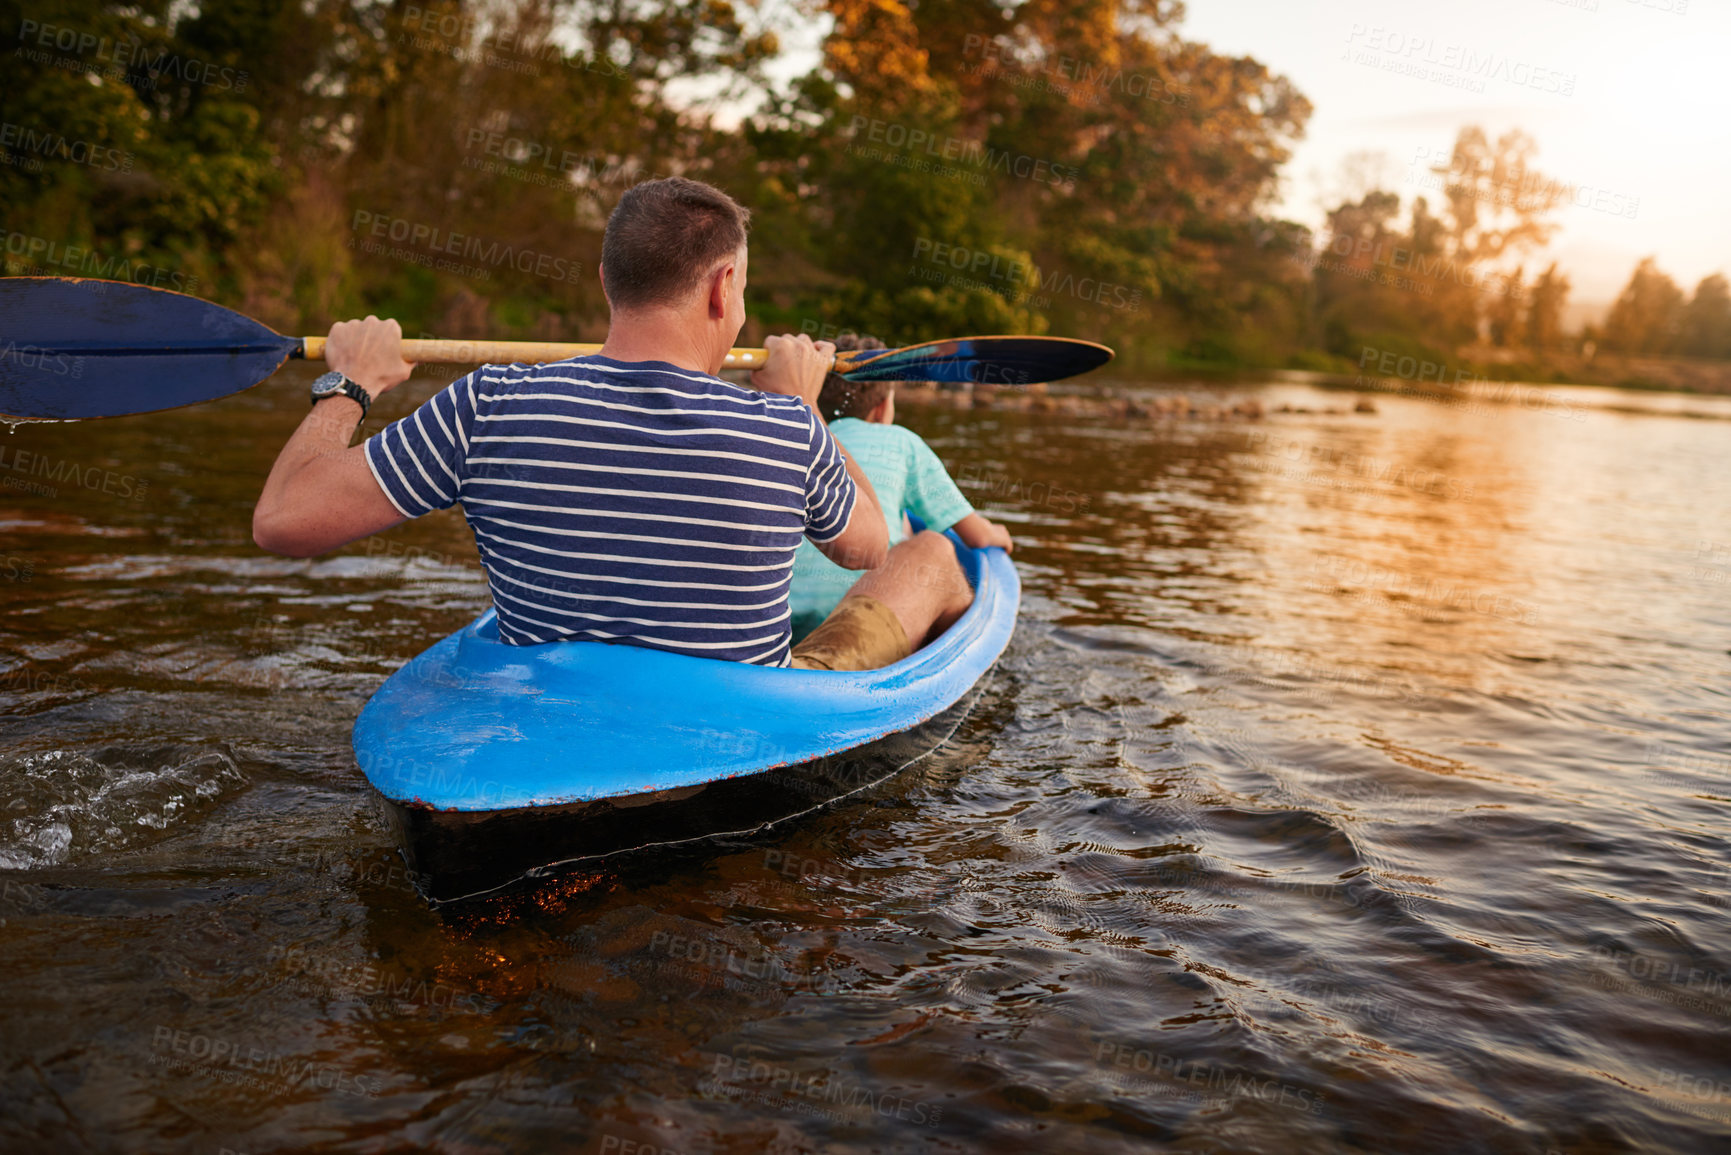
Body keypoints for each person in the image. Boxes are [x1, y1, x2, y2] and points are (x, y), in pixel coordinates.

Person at [251, 177, 973, 670]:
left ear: (607, 280)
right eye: (743, 289)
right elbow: (870, 546)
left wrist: (348, 383)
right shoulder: (782, 426)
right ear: (725, 290)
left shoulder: (486, 402)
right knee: (930, 557)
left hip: (554, 719)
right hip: (744, 727)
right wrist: (804, 405)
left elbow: (283, 519)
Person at [788, 334, 1014, 642]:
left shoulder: (798, 436)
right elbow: (976, 535)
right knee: (941, 556)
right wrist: (997, 534)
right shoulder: (902, 441)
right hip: (862, 620)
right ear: (882, 408)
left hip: (787, 621)